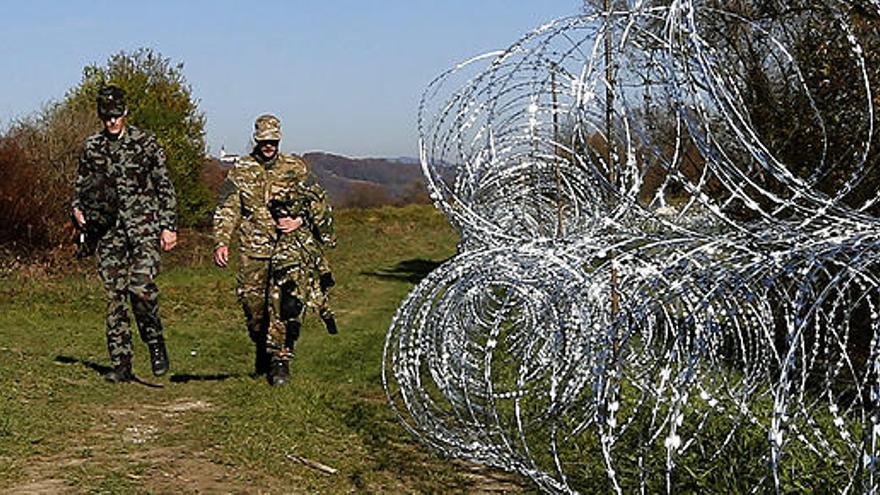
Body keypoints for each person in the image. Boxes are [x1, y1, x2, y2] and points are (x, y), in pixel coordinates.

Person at [213, 114, 336, 386]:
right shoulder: (241, 169)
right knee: (254, 307)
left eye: (273, 140)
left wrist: (300, 220)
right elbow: (228, 207)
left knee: (285, 304)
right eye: (264, 141)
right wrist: (222, 241)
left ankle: (280, 359)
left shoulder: (296, 168)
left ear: (278, 139)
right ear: (257, 140)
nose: (268, 145)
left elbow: (318, 202)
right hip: (253, 248)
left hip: (288, 250)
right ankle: (263, 347)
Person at [71, 85, 178, 383]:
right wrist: (78, 211)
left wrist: (169, 225)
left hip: (144, 227)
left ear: (125, 112)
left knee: (141, 286)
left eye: (116, 115)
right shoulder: (92, 146)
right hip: (108, 231)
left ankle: (154, 338)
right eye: (107, 116)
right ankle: (121, 363)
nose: (112, 121)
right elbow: (81, 186)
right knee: (114, 298)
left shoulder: (146, 143)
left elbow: (164, 186)